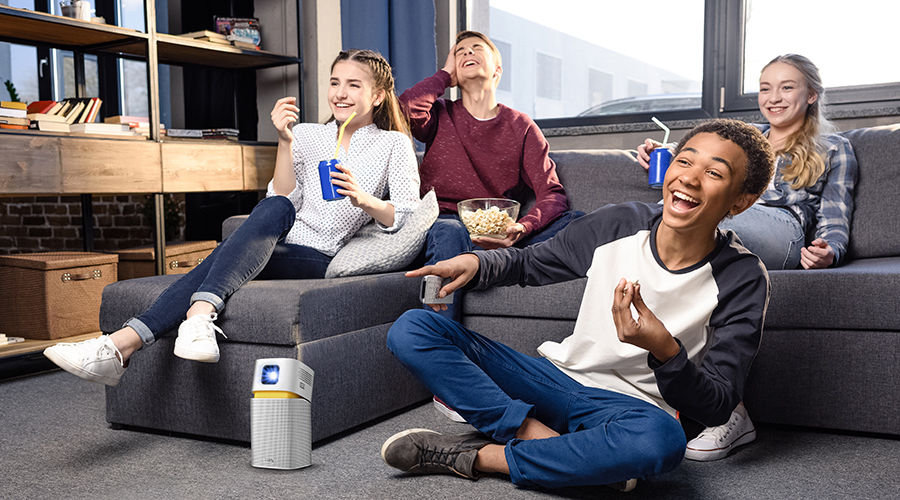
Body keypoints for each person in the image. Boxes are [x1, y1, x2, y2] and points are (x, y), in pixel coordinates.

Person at [380, 119, 775, 491]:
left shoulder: (743, 277)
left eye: (714, 172)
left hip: (628, 411)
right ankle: (539, 441)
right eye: (684, 160)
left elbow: (717, 405)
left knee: (661, 442)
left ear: (742, 200)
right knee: (413, 329)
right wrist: (478, 262)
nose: (688, 176)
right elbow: (530, 262)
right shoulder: (620, 223)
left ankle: (480, 456)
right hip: (554, 379)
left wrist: (664, 349)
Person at [43, 49, 421, 386]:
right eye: (335, 82)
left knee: (220, 258)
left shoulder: (393, 144)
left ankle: (124, 343)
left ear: (377, 95)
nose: (340, 93)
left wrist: (364, 199)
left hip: (319, 254)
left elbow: (404, 213)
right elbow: (281, 197)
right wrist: (285, 141)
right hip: (280, 239)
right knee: (274, 207)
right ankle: (191, 319)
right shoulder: (307, 134)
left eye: (354, 85)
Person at [636, 54, 858, 461]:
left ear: (811, 94)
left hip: (782, 228)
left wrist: (829, 251)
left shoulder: (833, 147)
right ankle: (652, 393)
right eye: (765, 87)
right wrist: (667, 157)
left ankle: (725, 409)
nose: (773, 97)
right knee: (650, 233)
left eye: (787, 87)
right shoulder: (740, 138)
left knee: (707, 229)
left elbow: (835, 217)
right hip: (723, 217)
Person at [399, 30, 582, 322]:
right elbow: (406, 108)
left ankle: (492, 263)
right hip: (445, 225)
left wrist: (521, 228)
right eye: (460, 52)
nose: (467, 53)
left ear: (497, 70)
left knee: (579, 221)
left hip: (497, 235)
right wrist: (445, 75)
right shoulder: (440, 114)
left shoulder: (521, 126)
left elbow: (553, 194)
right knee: (450, 232)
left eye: (476, 49)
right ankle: (436, 337)